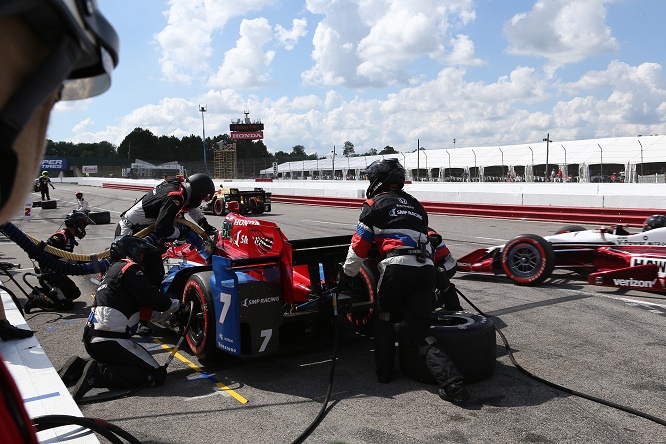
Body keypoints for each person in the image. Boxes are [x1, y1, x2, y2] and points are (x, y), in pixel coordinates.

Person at [0, 1, 119, 439]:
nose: (45, 118)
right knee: (66, 288)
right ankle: (38, 300)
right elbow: (55, 260)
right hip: (46, 271)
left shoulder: (66, 234)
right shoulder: (58, 236)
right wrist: (98, 265)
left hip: (49, 265)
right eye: (49, 92)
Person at [339, 158, 469, 403]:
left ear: (380, 180)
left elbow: (358, 249)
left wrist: (346, 277)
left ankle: (384, 375)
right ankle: (453, 383)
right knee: (419, 332)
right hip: (426, 270)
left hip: (397, 267)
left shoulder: (373, 205)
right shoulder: (417, 206)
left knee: (385, 318)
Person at [60, 236, 182, 400]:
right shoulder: (129, 268)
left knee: (127, 362)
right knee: (154, 375)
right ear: (132, 252)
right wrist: (179, 305)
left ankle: (79, 367)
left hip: (93, 340)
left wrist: (172, 317)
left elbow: (147, 313)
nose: (143, 258)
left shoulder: (111, 275)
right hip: (112, 340)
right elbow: (156, 300)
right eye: (142, 254)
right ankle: (98, 375)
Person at [114, 173, 218, 243]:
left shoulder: (181, 188)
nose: (201, 202)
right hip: (131, 231)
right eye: (203, 198)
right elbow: (162, 228)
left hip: (142, 227)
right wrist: (180, 233)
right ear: (198, 192)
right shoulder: (175, 196)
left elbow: (192, 209)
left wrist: (205, 226)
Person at [25, 211, 94, 312]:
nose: (84, 227)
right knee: (66, 305)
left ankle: (43, 292)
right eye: (83, 224)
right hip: (50, 276)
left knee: (75, 294)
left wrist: (91, 260)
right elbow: (43, 255)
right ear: (76, 224)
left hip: (59, 274)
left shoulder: (70, 238)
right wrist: (50, 275)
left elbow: (70, 258)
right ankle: (35, 299)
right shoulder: (60, 237)